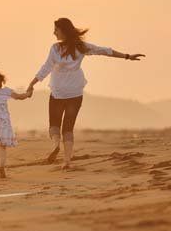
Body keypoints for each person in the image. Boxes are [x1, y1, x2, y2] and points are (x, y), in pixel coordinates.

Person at [27, 18, 145, 171]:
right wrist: (127, 56)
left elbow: (46, 68)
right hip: (75, 93)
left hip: (58, 92)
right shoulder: (81, 47)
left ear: (63, 30)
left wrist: (32, 84)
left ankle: (56, 145)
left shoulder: (55, 49)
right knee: (68, 128)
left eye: (56, 29)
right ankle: (67, 161)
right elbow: (105, 51)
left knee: (54, 124)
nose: (54, 32)